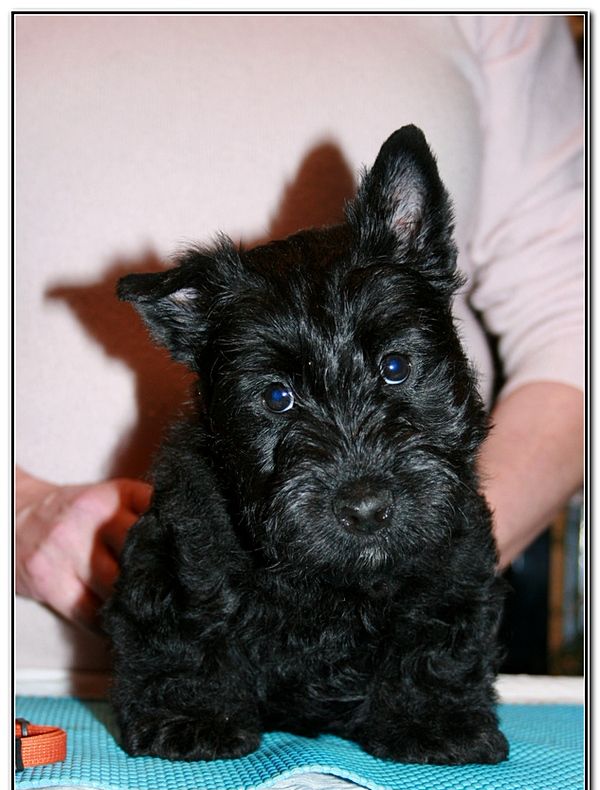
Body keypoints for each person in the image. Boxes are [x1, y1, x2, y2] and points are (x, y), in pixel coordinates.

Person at [15, 14, 583, 654]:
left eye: (394, 370)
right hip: (36, 663)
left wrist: (446, 559)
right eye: (280, 399)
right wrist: (19, 509)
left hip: (408, 647)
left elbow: (574, 321)